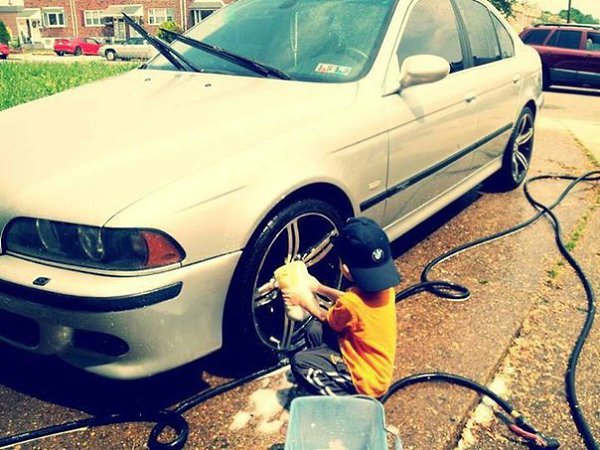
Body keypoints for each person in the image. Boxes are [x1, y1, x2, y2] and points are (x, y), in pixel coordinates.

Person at [282, 217, 400, 397]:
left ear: (344, 269)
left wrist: (302, 300)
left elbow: (327, 317)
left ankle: (346, 402)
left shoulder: (351, 304)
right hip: (374, 367)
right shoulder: (386, 290)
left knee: (300, 362)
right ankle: (328, 366)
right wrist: (318, 287)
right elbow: (351, 302)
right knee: (314, 330)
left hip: (366, 382)